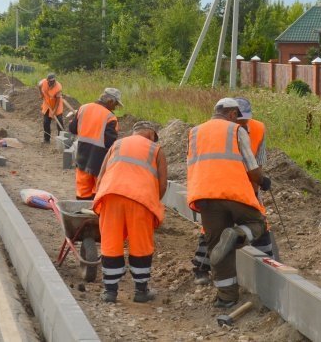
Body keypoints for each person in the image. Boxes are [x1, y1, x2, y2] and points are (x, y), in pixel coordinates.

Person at [186, 97, 268, 308]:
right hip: (233, 192)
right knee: (258, 224)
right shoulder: (235, 130)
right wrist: (263, 180)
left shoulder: (194, 132)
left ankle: (226, 298)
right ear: (232, 114)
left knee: (216, 248)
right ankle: (237, 234)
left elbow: (191, 165)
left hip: (204, 194)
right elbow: (251, 165)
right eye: (237, 116)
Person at [93, 121, 168, 303]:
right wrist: (152, 202)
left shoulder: (116, 145)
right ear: (151, 134)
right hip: (140, 201)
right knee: (141, 245)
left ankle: (110, 292)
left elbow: (101, 176)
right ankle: (141, 292)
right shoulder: (155, 149)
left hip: (111, 196)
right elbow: (163, 184)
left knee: (111, 243)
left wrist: (101, 197)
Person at [68, 88, 122, 200]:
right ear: (110, 101)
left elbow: (73, 129)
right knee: (98, 192)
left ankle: (81, 214)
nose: (115, 108)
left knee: (82, 191)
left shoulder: (83, 108)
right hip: (99, 161)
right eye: (115, 104)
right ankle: (94, 215)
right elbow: (110, 143)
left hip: (82, 156)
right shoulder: (110, 117)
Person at [38, 73, 64, 143]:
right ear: (48, 80)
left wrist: (54, 111)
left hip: (57, 105)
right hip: (47, 104)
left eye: (53, 80)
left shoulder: (58, 87)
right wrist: (41, 94)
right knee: (46, 122)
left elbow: (58, 101)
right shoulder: (43, 82)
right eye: (51, 81)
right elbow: (39, 85)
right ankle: (46, 139)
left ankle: (61, 140)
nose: (52, 82)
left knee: (60, 121)